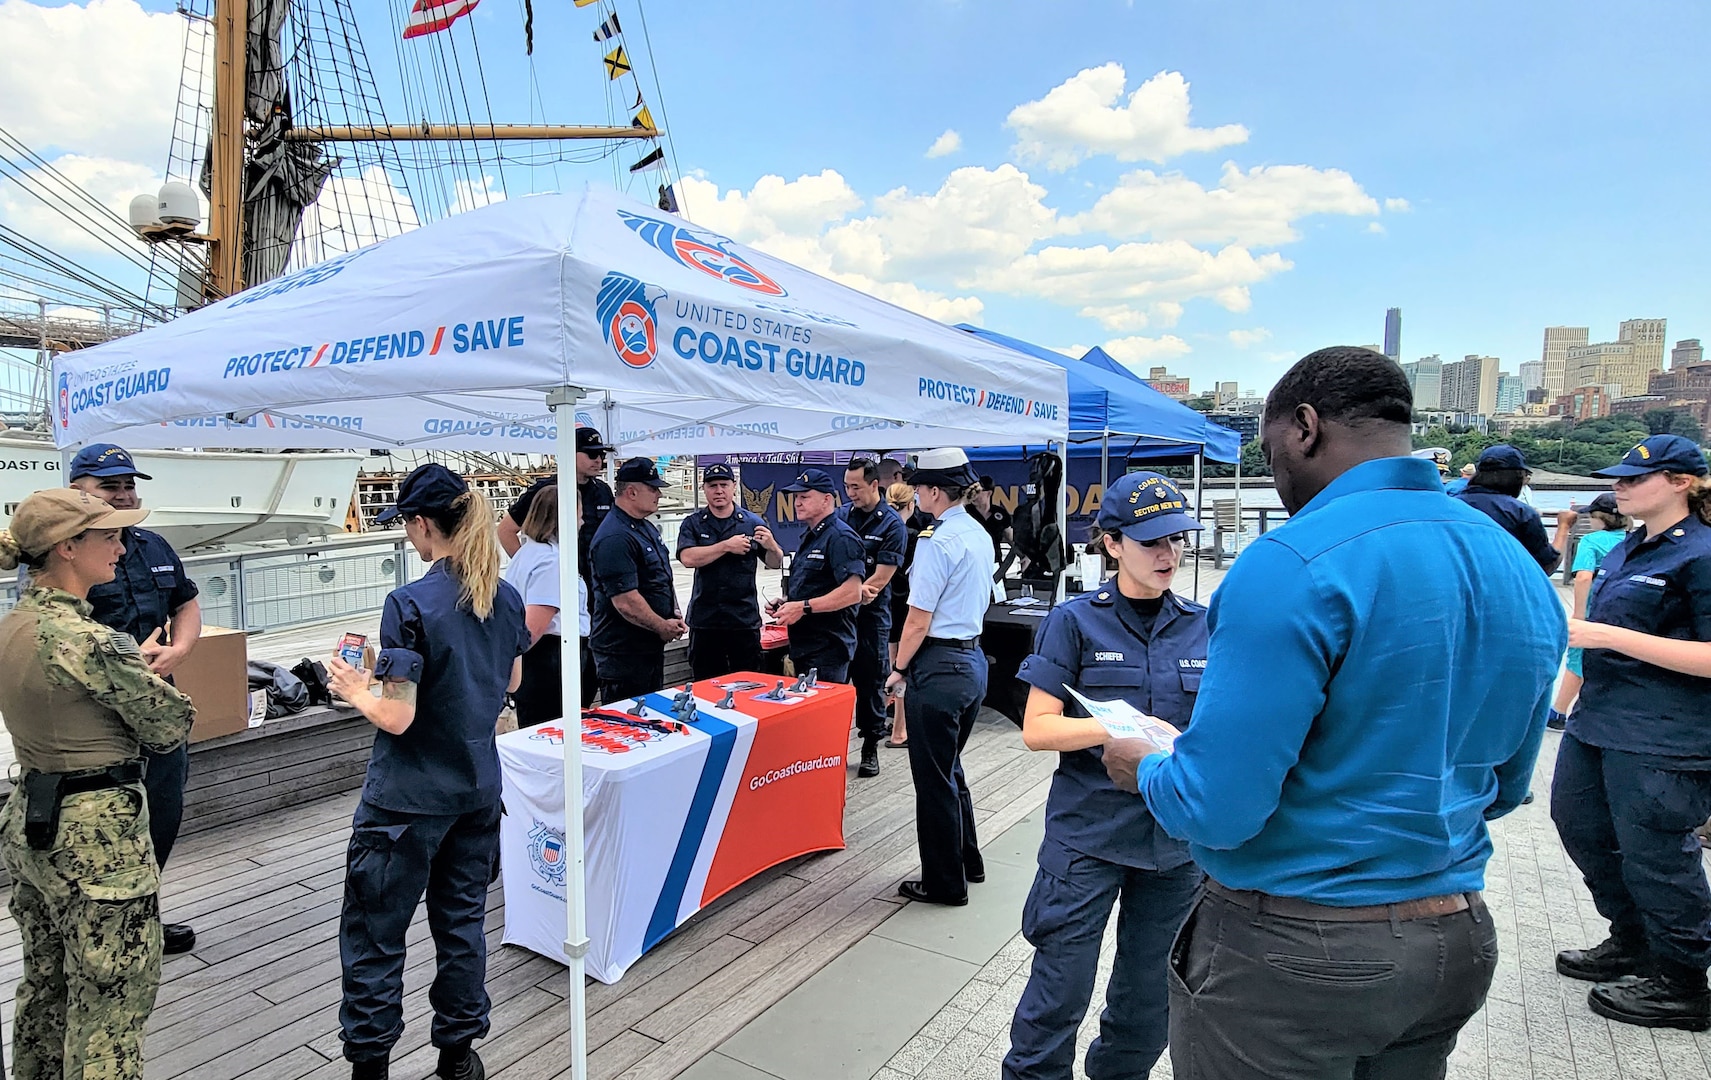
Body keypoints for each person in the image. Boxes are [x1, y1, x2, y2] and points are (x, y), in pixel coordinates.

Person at [1104, 347, 1565, 1079]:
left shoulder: (1291, 561)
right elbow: (1506, 786)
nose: (1277, 472)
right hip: (1453, 941)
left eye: (1268, 449)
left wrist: (1147, 769)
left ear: (1304, 428)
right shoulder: (1514, 562)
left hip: (1293, 955)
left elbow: (1219, 808)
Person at [325, 464, 529, 1080]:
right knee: (462, 925)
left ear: (421, 524)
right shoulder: (504, 594)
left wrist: (355, 688)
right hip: (475, 791)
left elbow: (396, 715)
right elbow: (511, 682)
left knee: (375, 937)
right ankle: (459, 1058)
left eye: (409, 527)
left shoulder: (409, 602)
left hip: (406, 803)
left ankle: (371, 1065)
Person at [1003, 473, 1207, 1080]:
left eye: (1177, 538)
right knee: (1058, 993)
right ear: (1113, 544)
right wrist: (1119, 728)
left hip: (1174, 846)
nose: (1168, 554)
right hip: (1087, 838)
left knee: (1150, 1000)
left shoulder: (1204, 625)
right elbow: (1038, 728)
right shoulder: (1074, 622)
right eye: (1152, 542)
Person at [0, 489, 195, 1080]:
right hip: (98, 838)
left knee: (47, 985)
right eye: (106, 536)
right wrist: (135, 664)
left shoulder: (15, 626)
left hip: (32, 818)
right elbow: (169, 725)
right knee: (111, 1003)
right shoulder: (90, 642)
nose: (119, 547)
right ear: (67, 548)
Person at [1550, 434, 1711, 1031]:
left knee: (1658, 853)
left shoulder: (1700, 554)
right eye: (1617, 478)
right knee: (1581, 826)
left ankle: (1683, 980)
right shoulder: (1626, 549)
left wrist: (1607, 637)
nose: (1620, 486)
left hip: (1665, 733)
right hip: (1601, 718)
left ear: (1681, 482)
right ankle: (1634, 938)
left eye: (1635, 478)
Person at [67, 443, 204, 956]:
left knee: (163, 810)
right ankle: (101, 926)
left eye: (128, 485)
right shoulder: (64, 551)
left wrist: (179, 650)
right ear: (78, 488)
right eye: (110, 485)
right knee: (103, 819)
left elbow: (185, 601)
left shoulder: (151, 545)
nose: (123, 494)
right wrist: (125, 659)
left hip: (156, 707)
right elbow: (55, 630)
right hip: (94, 716)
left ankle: (145, 913)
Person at [885, 448, 996, 906]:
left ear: (932, 491)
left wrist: (897, 670)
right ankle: (969, 860)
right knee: (950, 768)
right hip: (971, 662)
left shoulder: (936, 540)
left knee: (933, 781)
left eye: (919, 487)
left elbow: (917, 619)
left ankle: (944, 883)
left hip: (939, 666)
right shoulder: (978, 532)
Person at [502, 425, 615, 708]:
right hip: (555, 624)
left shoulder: (602, 492)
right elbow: (505, 530)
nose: (597, 460)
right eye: (590, 454)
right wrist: (540, 574)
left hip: (591, 595)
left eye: (600, 454)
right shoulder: (547, 492)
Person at [589, 458, 686, 702]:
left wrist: (672, 613)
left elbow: (661, 577)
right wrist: (662, 626)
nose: (659, 494)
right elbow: (626, 601)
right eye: (652, 488)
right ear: (631, 491)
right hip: (624, 652)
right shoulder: (615, 537)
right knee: (630, 723)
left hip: (647, 645)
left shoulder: (643, 527)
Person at [676, 463, 783, 680]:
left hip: (742, 620)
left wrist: (772, 546)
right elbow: (688, 558)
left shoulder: (752, 522)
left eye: (724, 485)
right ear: (704, 488)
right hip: (705, 621)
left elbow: (774, 563)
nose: (719, 491)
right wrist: (726, 546)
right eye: (712, 485)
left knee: (749, 684)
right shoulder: (694, 524)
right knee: (705, 686)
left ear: (734, 487)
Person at [840, 459, 908, 778]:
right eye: (847, 486)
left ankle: (869, 747)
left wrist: (840, 596)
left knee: (870, 684)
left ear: (873, 485)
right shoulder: (840, 517)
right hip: (838, 619)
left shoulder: (892, 525)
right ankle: (832, 748)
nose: (850, 493)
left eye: (856, 487)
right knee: (836, 684)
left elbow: (879, 581)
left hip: (870, 618)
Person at [766, 468, 865, 686]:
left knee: (826, 718)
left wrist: (803, 607)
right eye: (796, 498)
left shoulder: (840, 537)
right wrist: (787, 603)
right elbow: (814, 585)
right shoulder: (811, 537)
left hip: (828, 649)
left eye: (805, 497)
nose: (797, 503)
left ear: (826, 500)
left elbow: (852, 592)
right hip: (805, 646)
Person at [1546, 491, 1630, 731]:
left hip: (1596, 606)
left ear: (1599, 518)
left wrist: (1579, 615)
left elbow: (1583, 577)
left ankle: (1558, 712)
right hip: (1623, 606)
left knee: (1577, 659)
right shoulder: (1632, 539)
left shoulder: (1591, 542)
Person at [1454, 444, 1576, 574]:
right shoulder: (1522, 513)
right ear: (1518, 477)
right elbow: (1545, 567)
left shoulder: (1453, 504)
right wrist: (1564, 526)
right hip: (1503, 588)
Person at [502, 483, 566, 728]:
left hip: (534, 661)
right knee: (550, 732)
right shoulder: (550, 561)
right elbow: (532, 630)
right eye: (580, 516)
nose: (582, 523)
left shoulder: (526, 553)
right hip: (549, 661)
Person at [885, 481, 929, 748]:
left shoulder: (882, 530)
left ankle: (889, 720)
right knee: (902, 668)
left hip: (884, 605)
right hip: (904, 606)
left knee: (891, 664)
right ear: (911, 505)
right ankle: (899, 728)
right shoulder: (914, 536)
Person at [969, 474, 1014, 555]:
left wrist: (1024, 555)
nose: (973, 495)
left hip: (994, 563)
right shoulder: (965, 512)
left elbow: (1011, 538)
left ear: (988, 493)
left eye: (978, 491)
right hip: (971, 562)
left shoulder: (1000, 513)